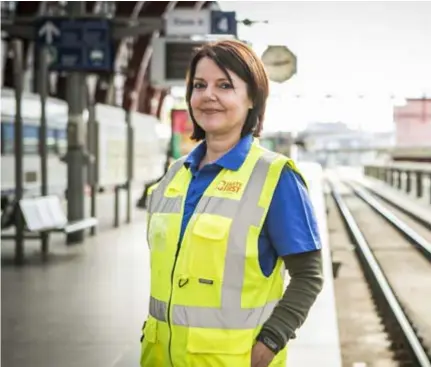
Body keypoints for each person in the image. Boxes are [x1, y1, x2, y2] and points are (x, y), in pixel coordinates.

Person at [140, 39, 324, 367]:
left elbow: (308, 276)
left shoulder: (275, 178)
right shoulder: (174, 175)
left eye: (224, 85)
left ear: (252, 98)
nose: (208, 95)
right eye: (200, 85)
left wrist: (270, 341)